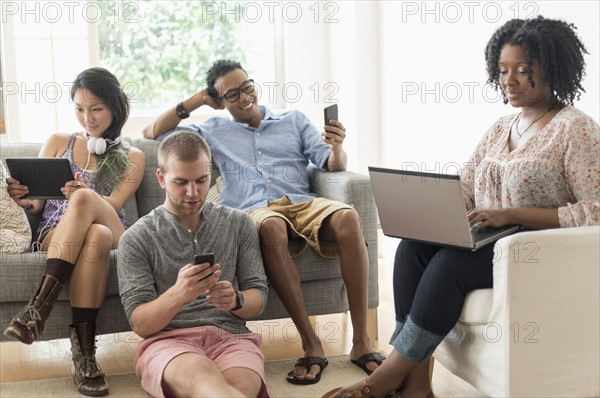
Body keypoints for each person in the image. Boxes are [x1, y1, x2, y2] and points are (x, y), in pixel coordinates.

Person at [323, 15, 600, 398]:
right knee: (412, 248)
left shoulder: (575, 128)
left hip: (532, 249)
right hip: (487, 238)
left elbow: (595, 210)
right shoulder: (502, 127)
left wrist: (513, 215)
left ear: (552, 68)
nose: (509, 80)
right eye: (503, 70)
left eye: (523, 70)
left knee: (450, 265)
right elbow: (466, 185)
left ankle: (384, 378)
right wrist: (432, 207)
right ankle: (417, 383)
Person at [143, 60, 383, 384]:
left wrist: (338, 147)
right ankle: (311, 342)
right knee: (271, 226)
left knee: (348, 217)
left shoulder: (293, 120)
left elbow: (331, 162)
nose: (244, 97)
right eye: (232, 94)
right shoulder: (213, 130)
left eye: (247, 87)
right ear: (220, 101)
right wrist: (198, 99)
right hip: (254, 209)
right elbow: (154, 132)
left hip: (301, 202)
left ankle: (361, 343)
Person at [3, 67, 146, 396]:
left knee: (88, 205)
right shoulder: (58, 142)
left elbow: (114, 202)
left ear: (115, 107)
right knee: (96, 235)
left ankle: (37, 309)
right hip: (59, 232)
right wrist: (24, 200)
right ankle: (85, 356)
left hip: (116, 229)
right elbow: (38, 207)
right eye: (80, 109)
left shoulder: (133, 156)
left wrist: (83, 194)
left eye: (96, 109)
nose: (88, 119)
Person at [117, 131, 269, 397]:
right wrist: (178, 294)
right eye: (181, 182)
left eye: (201, 181)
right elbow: (140, 324)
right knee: (203, 381)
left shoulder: (238, 224)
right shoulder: (136, 238)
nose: (193, 192)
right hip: (169, 342)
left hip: (231, 337)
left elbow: (259, 296)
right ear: (161, 178)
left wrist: (236, 300)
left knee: (242, 388)